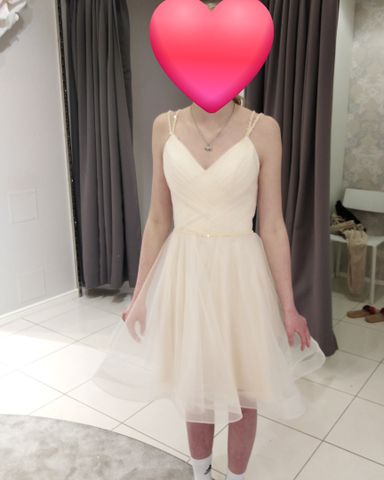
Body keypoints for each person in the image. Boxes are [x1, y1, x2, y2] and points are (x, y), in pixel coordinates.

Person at [91, 8, 325, 480]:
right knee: (194, 385)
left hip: (240, 270)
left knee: (244, 389)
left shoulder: (264, 129)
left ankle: (235, 477)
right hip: (185, 269)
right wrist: (140, 295)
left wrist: (288, 306)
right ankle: (200, 473)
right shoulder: (165, 126)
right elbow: (158, 219)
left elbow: (273, 225)